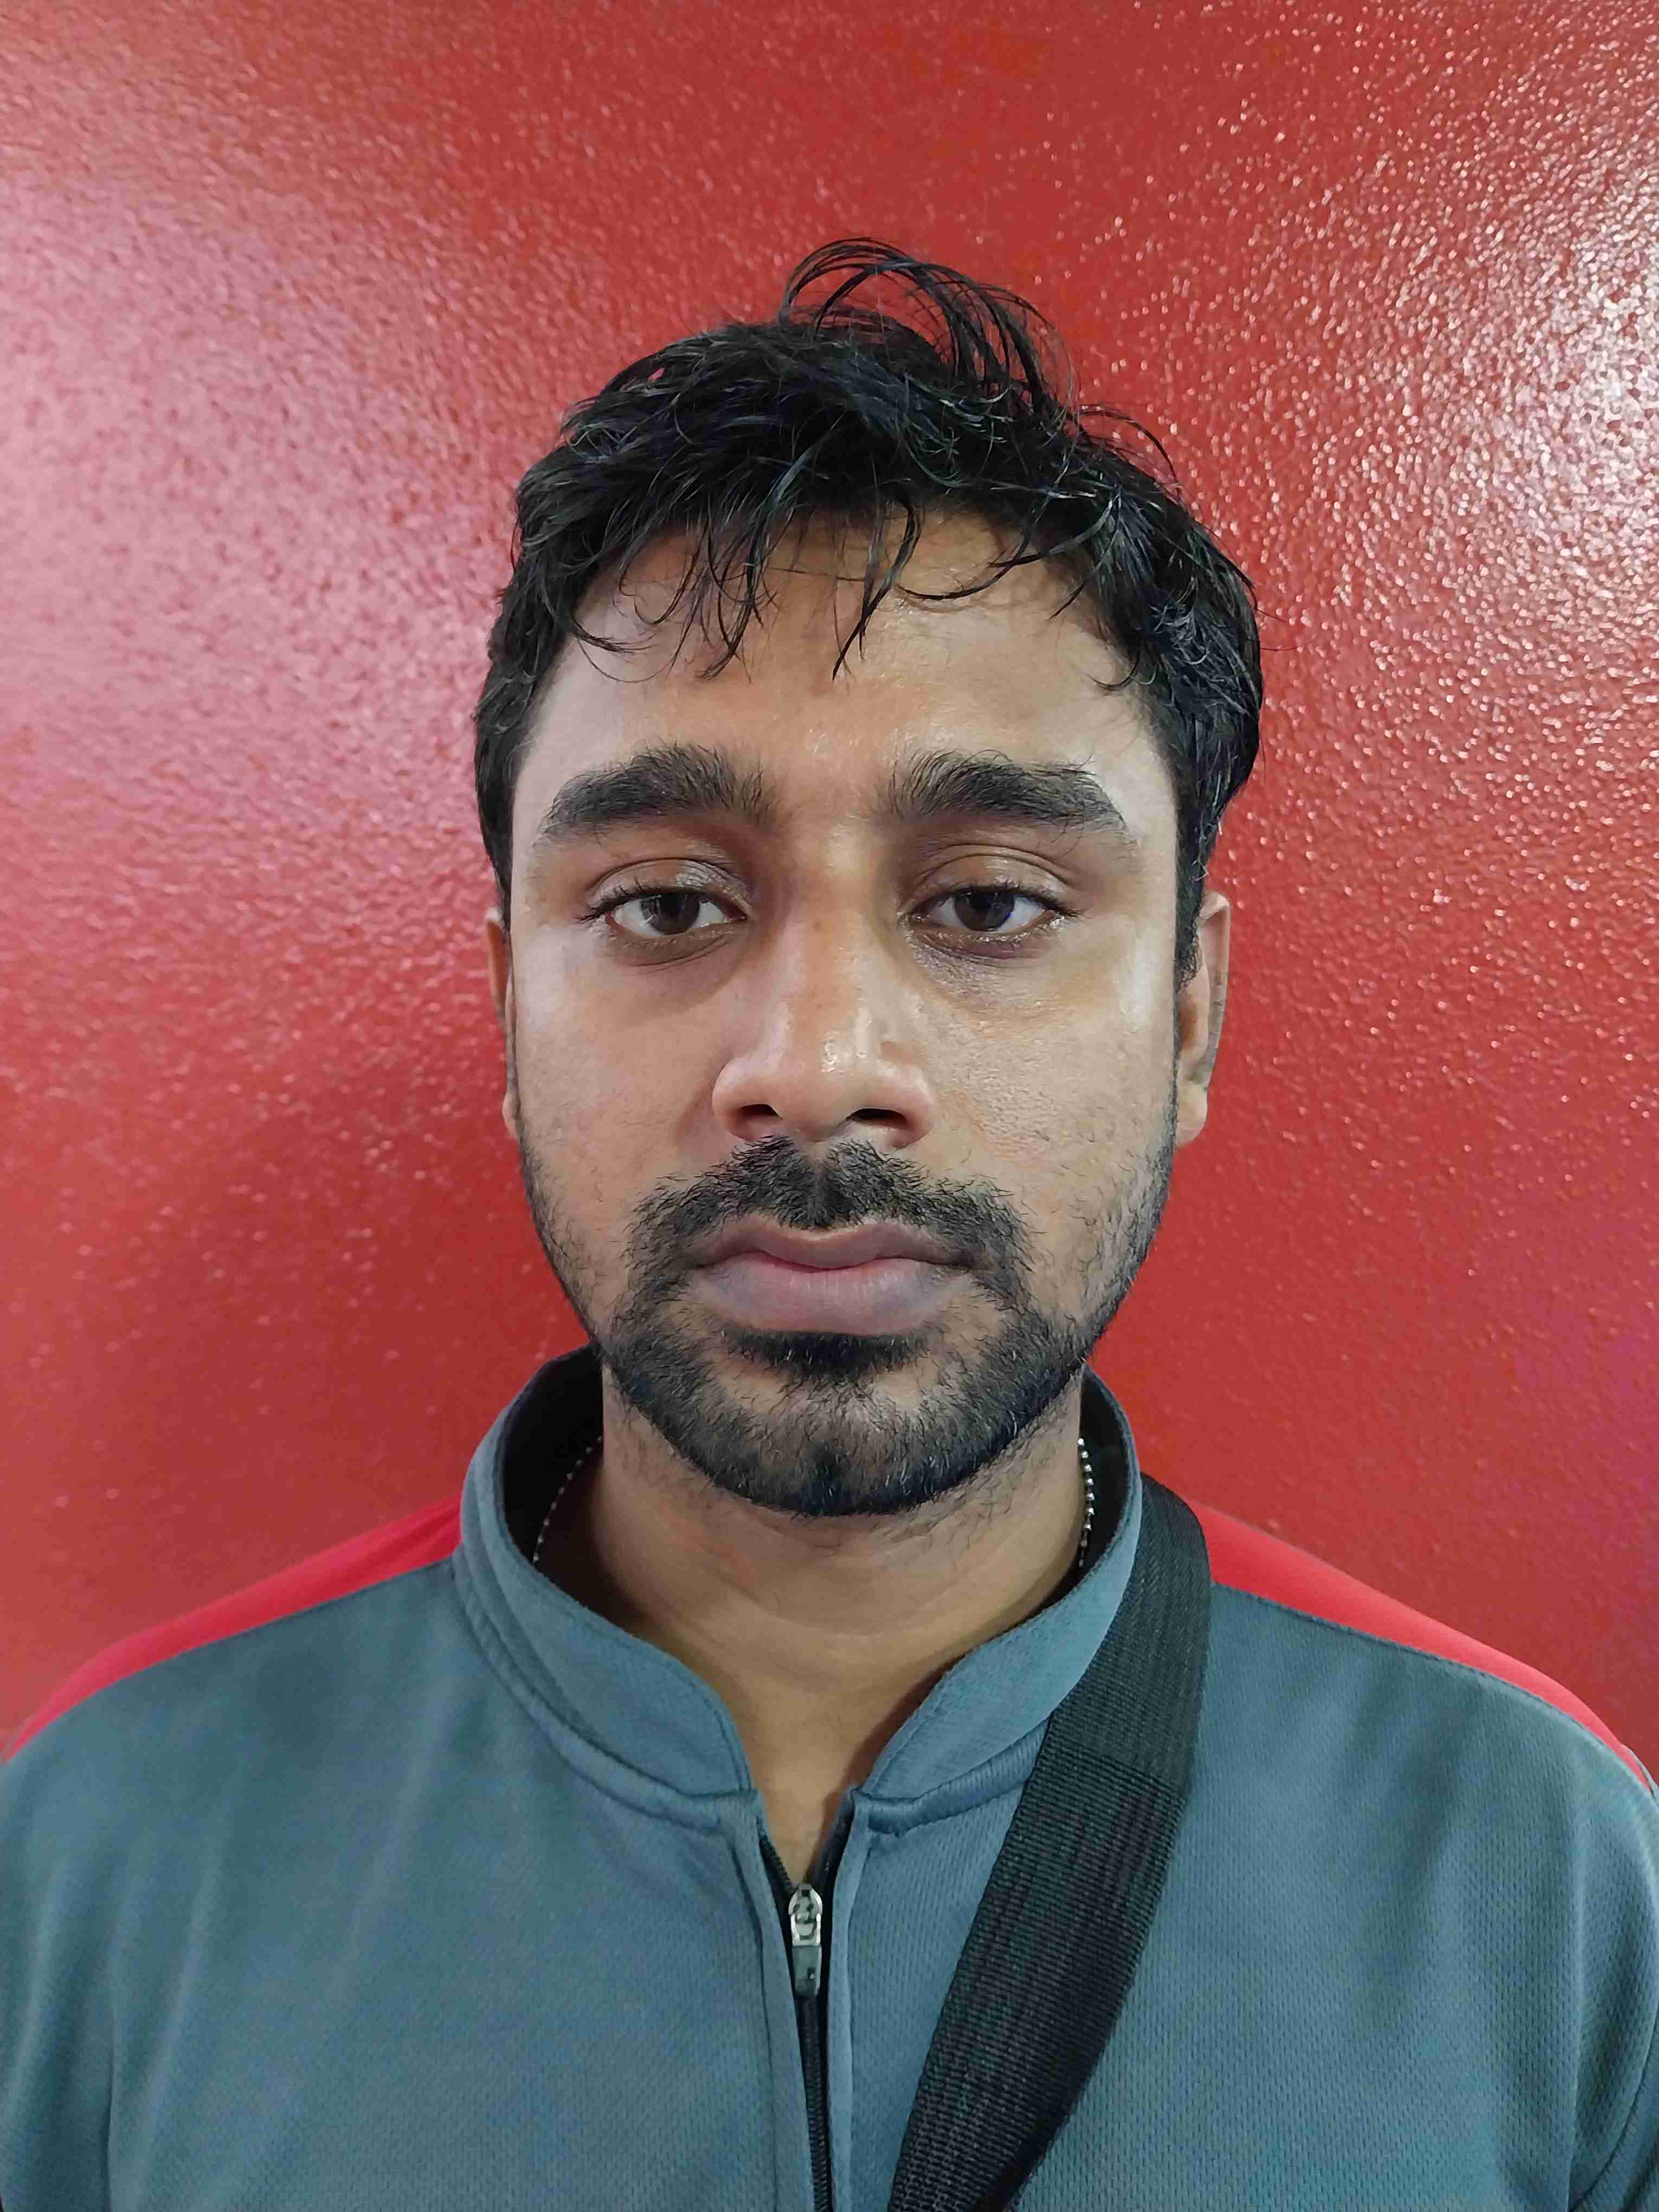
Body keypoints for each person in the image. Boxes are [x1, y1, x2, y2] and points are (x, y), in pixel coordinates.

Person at [2, 240, 1653, 2211]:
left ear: (1190, 1017)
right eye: (667, 906)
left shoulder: (1547, 1871)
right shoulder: (98, 1855)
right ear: (511, 1008)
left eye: (989, 904)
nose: (814, 1066)